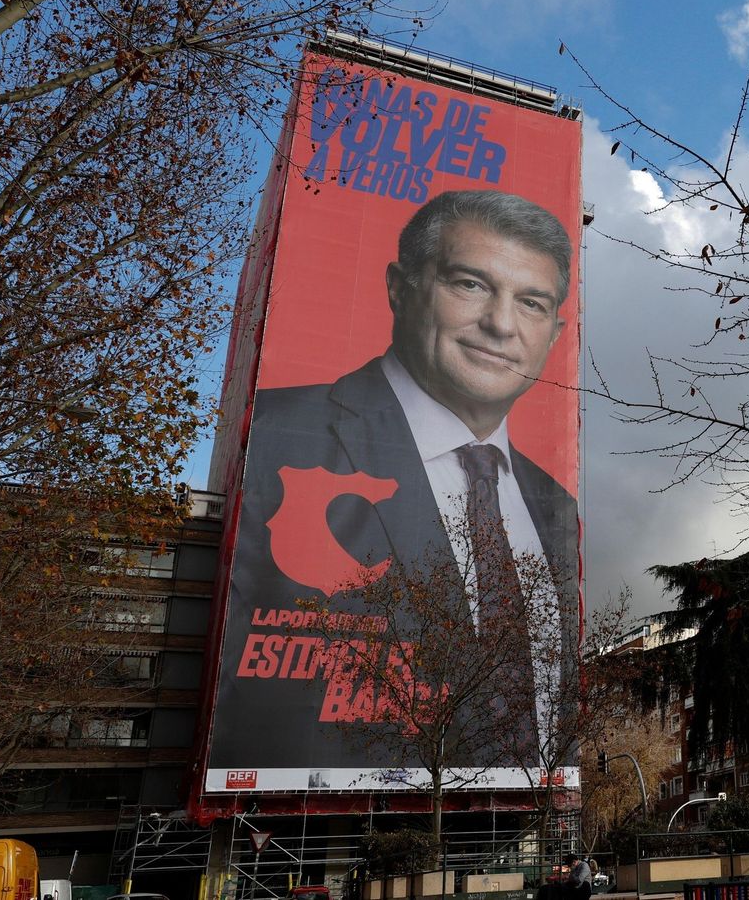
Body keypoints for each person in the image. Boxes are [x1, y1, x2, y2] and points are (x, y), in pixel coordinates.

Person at [210, 190, 580, 776]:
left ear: (555, 334)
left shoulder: (555, 505)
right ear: (398, 288)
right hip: (315, 816)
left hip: (520, 813)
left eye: (531, 303)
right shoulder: (277, 431)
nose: (501, 324)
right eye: (470, 284)